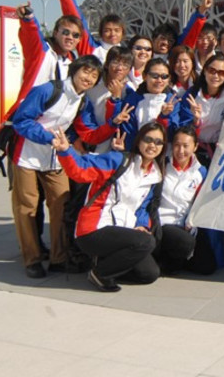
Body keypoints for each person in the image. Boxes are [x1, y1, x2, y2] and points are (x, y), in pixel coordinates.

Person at [10, 56, 129, 278]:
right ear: (74, 71)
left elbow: (89, 133)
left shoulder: (82, 102)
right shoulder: (48, 90)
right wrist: (48, 138)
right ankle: (32, 259)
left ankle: (59, 257)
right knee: (27, 206)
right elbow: (21, 121)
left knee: (61, 204)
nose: (89, 78)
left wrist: (113, 124)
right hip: (27, 155)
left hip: (56, 158)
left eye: (94, 75)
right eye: (85, 71)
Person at [52, 122, 167, 292]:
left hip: (122, 229)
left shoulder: (155, 175)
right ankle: (100, 273)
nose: (152, 145)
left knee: (149, 274)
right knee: (146, 242)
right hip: (94, 228)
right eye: (148, 139)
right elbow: (82, 170)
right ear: (139, 140)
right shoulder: (119, 160)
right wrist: (65, 150)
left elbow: (143, 207)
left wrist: (142, 225)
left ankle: (105, 262)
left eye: (158, 142)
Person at [153, 125, 222, 275]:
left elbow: (200, 202)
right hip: (163, 224)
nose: (181, 151)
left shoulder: (201, 171)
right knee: (185, 244)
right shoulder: (161, 166)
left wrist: (192, 221)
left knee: (207, 267)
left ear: (195, 146)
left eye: (186, 146)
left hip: (186, 226)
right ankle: (169, 258)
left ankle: (176, 259)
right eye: (177, 145)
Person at [174, 53, 224, 166]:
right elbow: (182, 126)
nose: (216, 76)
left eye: (221, 73)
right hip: (193, 150)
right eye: (212, 70)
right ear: (205, 71)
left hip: (217, 151)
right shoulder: (193, 94)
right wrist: (196, 120)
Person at [117, 58, 177, 150]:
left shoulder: (173, 101)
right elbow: (128, 133)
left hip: (165, 155)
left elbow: (173, 134)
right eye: (154, 76)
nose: (159, 80)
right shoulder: (132, 100)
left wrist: (164, 117)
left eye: (164, 76)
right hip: (137, 154)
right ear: (145, 76)